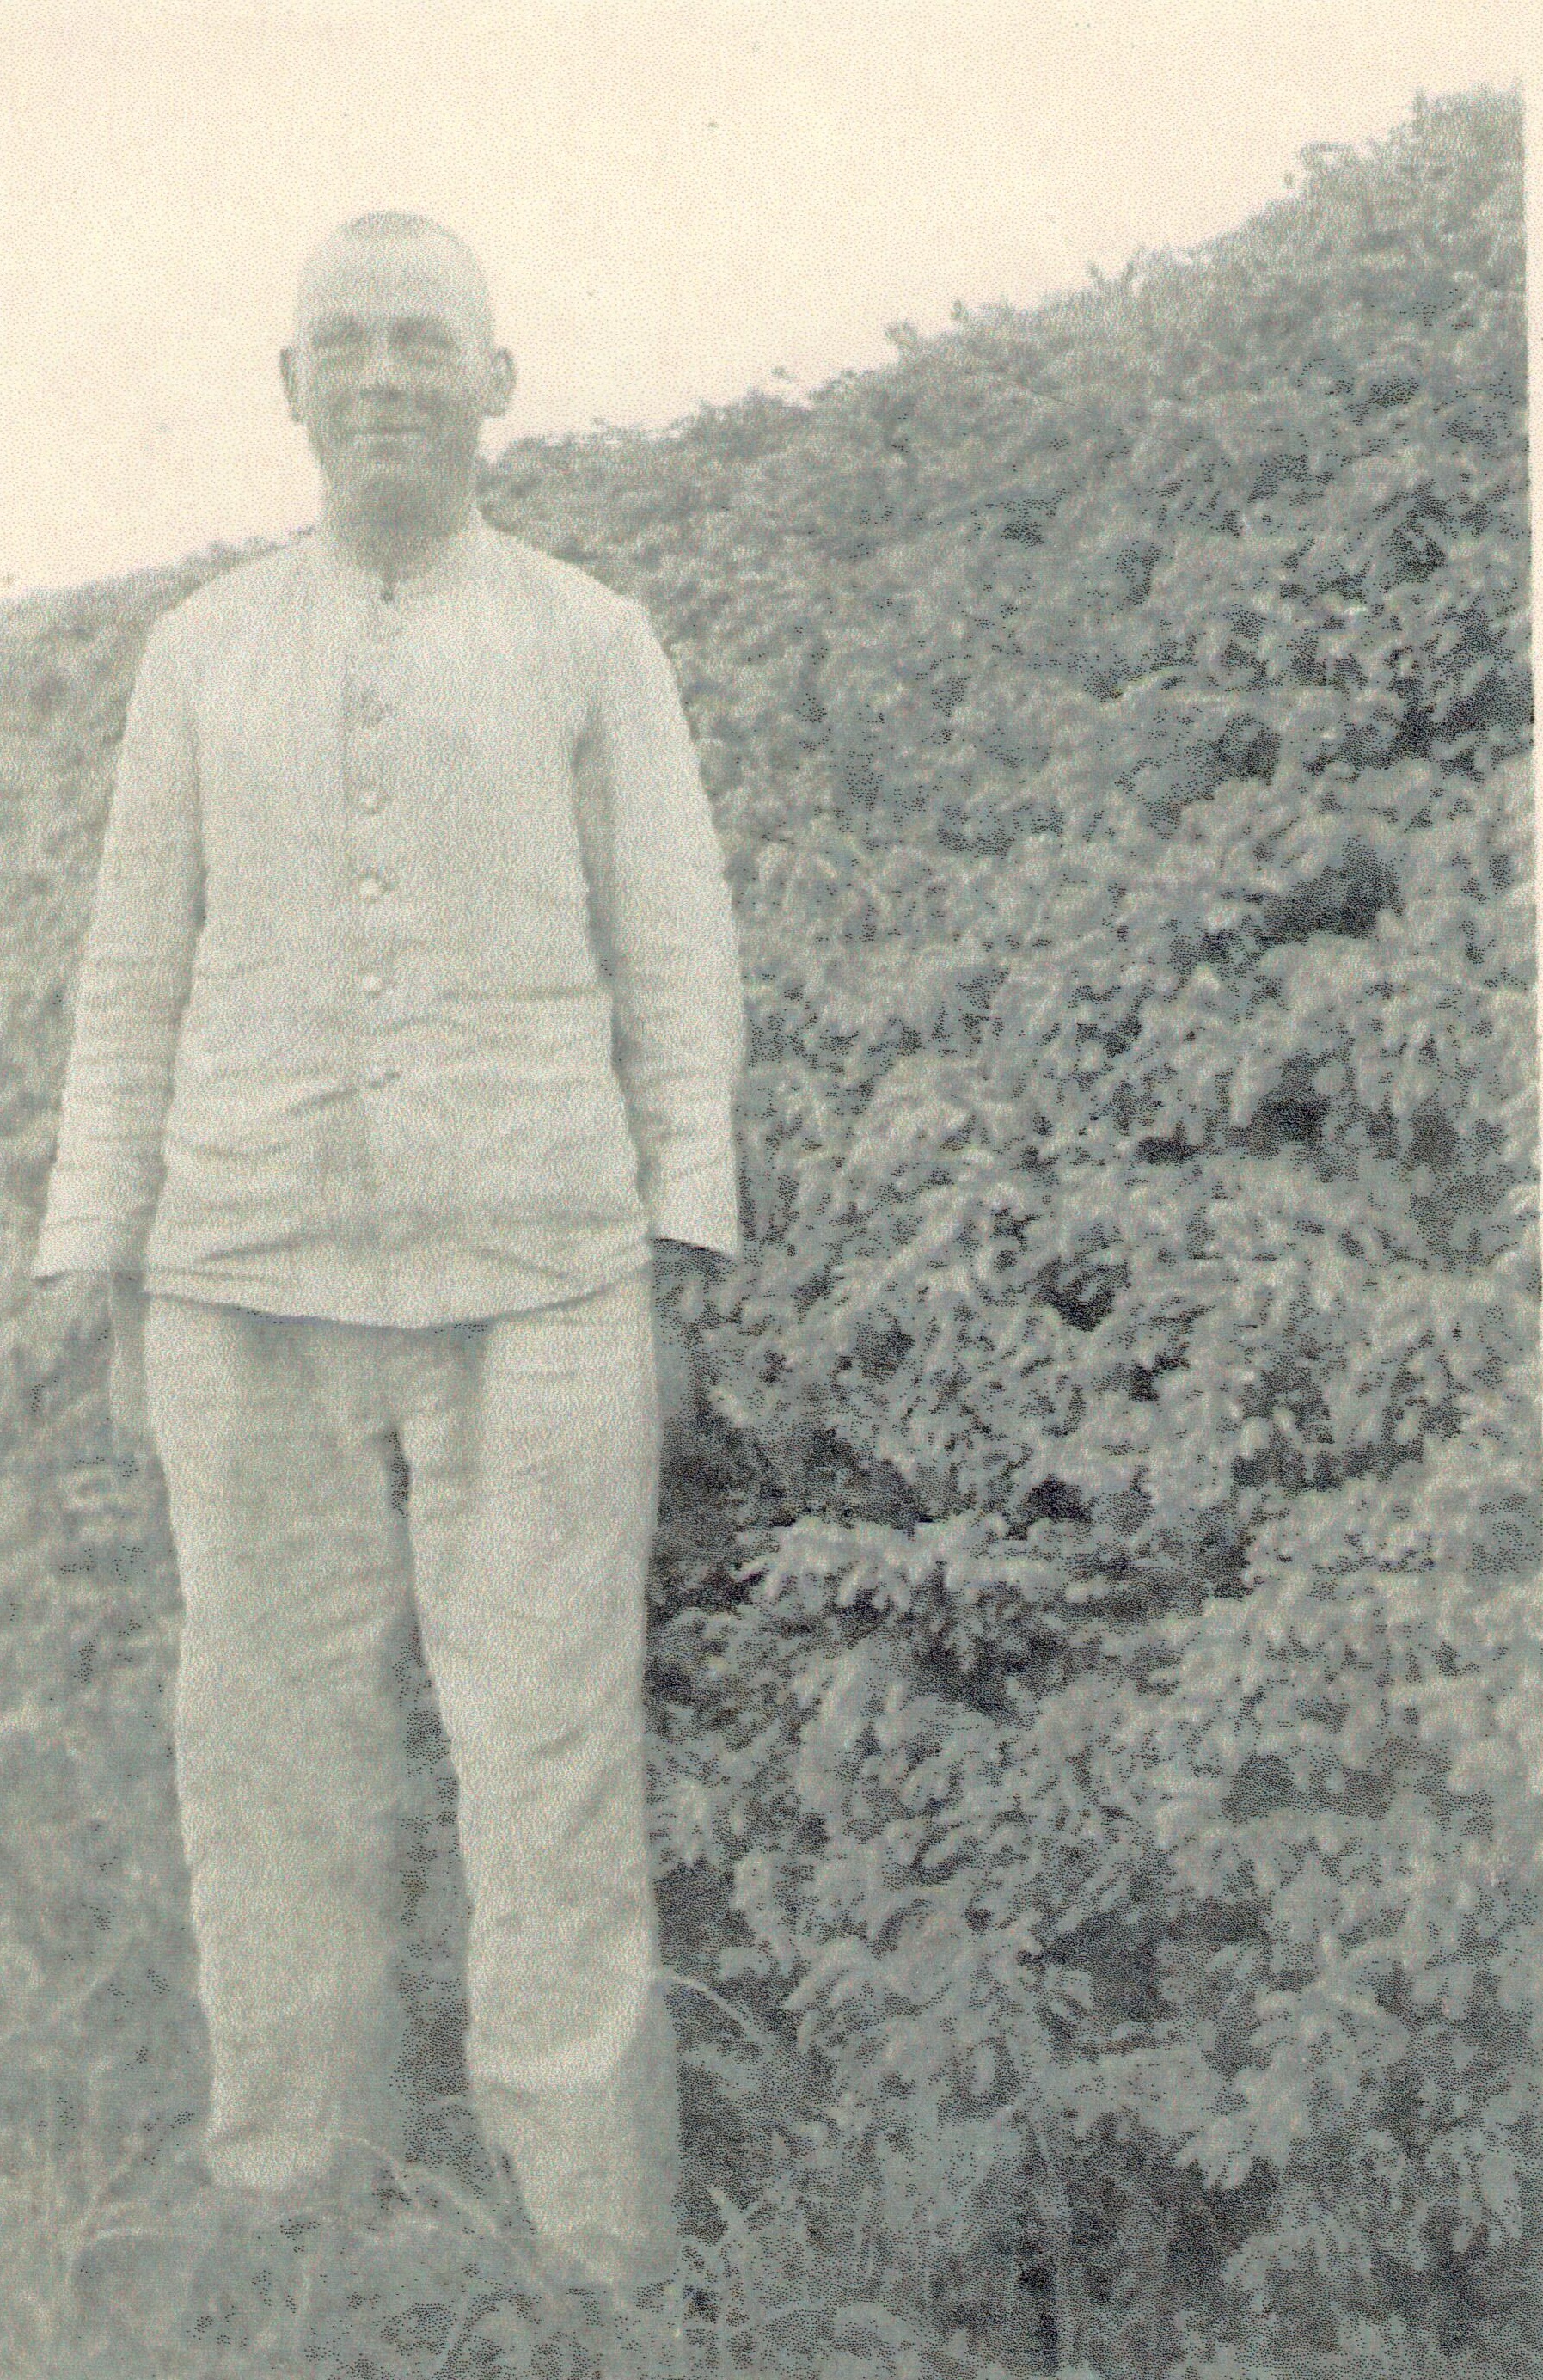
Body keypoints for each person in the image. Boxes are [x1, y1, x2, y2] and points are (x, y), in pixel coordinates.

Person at [31, 212, 744, 2300]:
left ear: (497, 380)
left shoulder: (589, 639)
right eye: (341, 343)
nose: (383, 377)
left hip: (543, 1287)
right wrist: (91, 1247)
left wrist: (678, 1232)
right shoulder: (199, 653)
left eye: (424, 339)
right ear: (288, 389)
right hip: (242, 1284)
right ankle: (290, 2203)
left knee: (549, 1764)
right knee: (265, 1757)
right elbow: (127, 970)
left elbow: (675, 946)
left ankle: (592, 2256)